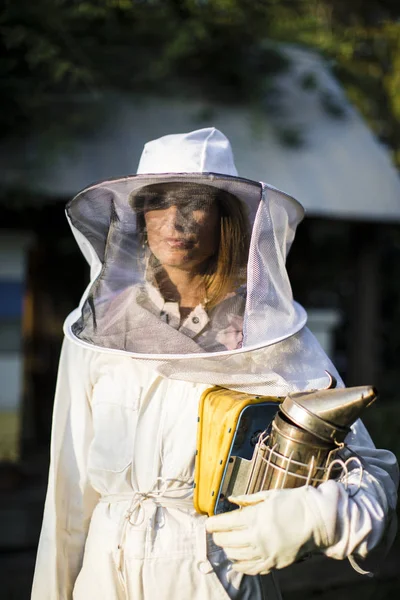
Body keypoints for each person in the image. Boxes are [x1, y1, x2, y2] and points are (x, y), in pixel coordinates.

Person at [31, 128, 398, 600]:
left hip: (210, 573)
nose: (175, 221)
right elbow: (68, 495)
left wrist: (317, 516)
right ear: (140, 215)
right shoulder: (99, 331)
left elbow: (371, 475)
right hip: (105, 572)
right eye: (158, 201)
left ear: (227, 218)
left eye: (194, 203)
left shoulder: (272, 336)